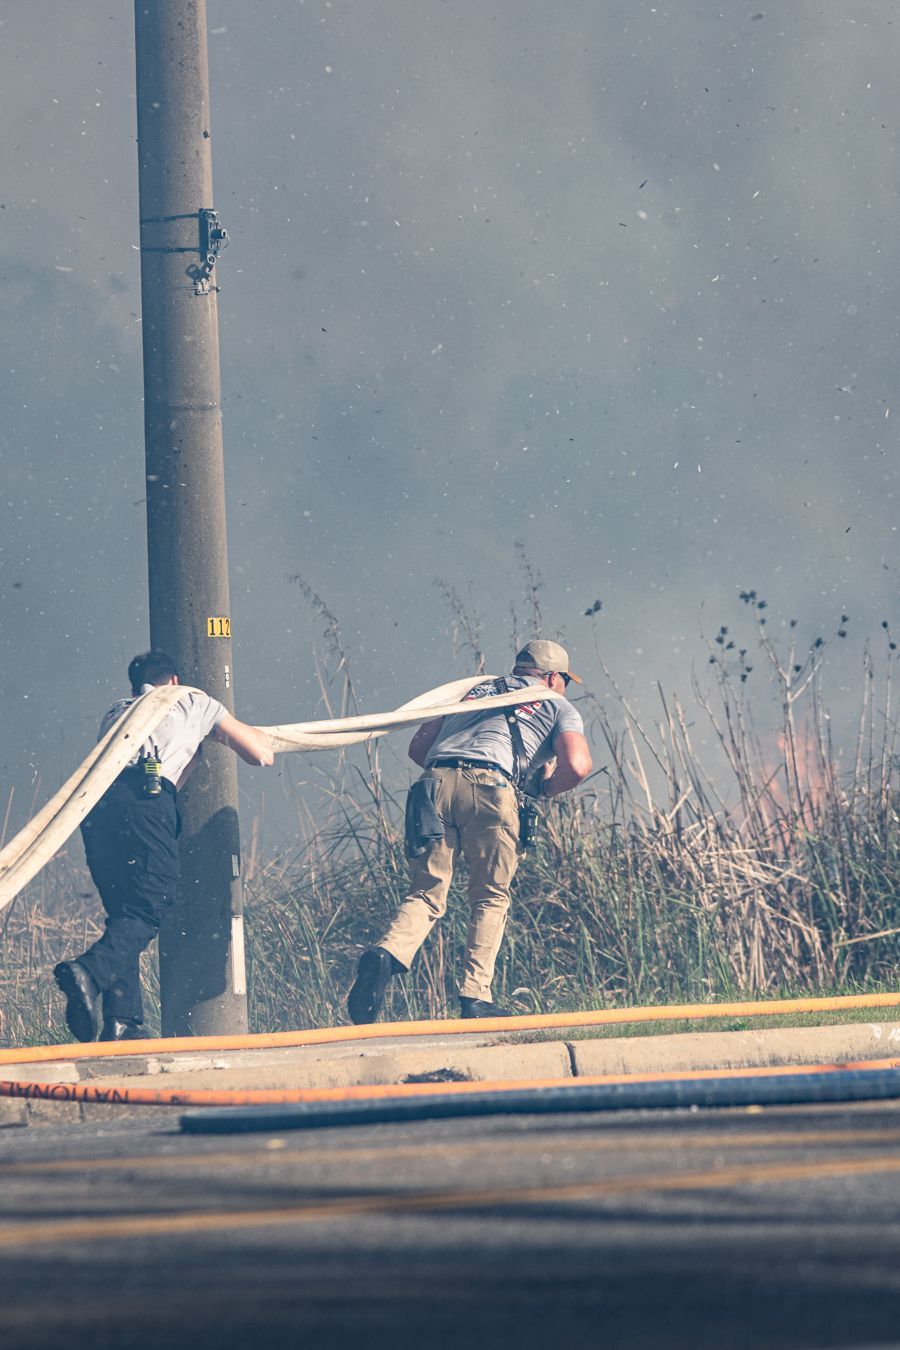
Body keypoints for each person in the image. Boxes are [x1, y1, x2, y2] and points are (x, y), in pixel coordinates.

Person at [347, 639, 593, 1023]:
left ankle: (385, 954)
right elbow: (577, 765)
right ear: (552, 677)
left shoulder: (472, 691)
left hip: (434, 784)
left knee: (426, 893)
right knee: (490, 896)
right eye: (566, 680)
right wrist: (542, 787)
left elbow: (419, 749)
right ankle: (475, 997)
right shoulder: (558, 704)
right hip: (491, 788)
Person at [53, 651, 274, 1042]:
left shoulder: (117, 711)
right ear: (174, 680)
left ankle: (123, 1022)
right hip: (146, 801)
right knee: (149, 906)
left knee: (124, 912)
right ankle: (90, 971)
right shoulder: (194, 699)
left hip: (97, 807)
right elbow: (260, 754)